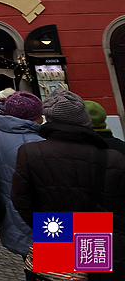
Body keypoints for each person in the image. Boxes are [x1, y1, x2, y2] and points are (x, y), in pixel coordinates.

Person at [12, 90, 125, 279]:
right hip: (97, 231)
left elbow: (21, 200)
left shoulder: (30, 153)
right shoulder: (113, 157)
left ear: (49, 119)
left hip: (54, 229)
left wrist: (47, 225)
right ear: (85, 120)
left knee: (59, 278)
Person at [0, 91, 43, 273]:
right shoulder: (39, 142)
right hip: (42, 216)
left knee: (32, 264)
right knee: (53, 268)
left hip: (9, 213)